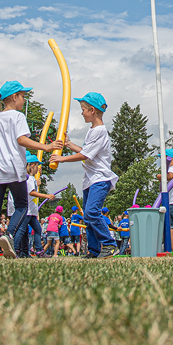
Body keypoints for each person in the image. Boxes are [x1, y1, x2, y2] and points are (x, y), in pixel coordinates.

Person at [0, 81, 60, 259]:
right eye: (22, 96)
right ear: (14, 97)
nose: (23, 100)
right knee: (21, 206)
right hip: (14, 168)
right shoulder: (17, 117)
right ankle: (9, 235)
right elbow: (21, 140)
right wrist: (46, 147)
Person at [49, 92, 119, 258]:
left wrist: (62, 158)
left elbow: (85, 156)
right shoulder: (92, 130)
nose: (82, 113)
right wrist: (69, 144)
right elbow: (86, 151)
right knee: (87, 217)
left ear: (92, 110)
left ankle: (110, 245)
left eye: (83, 109)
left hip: (100, 179)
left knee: (92, 212)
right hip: (90, 180)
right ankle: (94, 251)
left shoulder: (99, 131)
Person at [18, 154, 53, 257]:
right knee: (22, 231)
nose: (39, 168)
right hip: (27, 210)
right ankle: (16, 249)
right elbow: (31, 192)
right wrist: (46, 195)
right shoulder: (29, 178)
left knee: (37, 229)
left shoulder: (32, 178)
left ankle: (38, 251)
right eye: (37, 165)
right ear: (32, 165)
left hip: (32, 211)